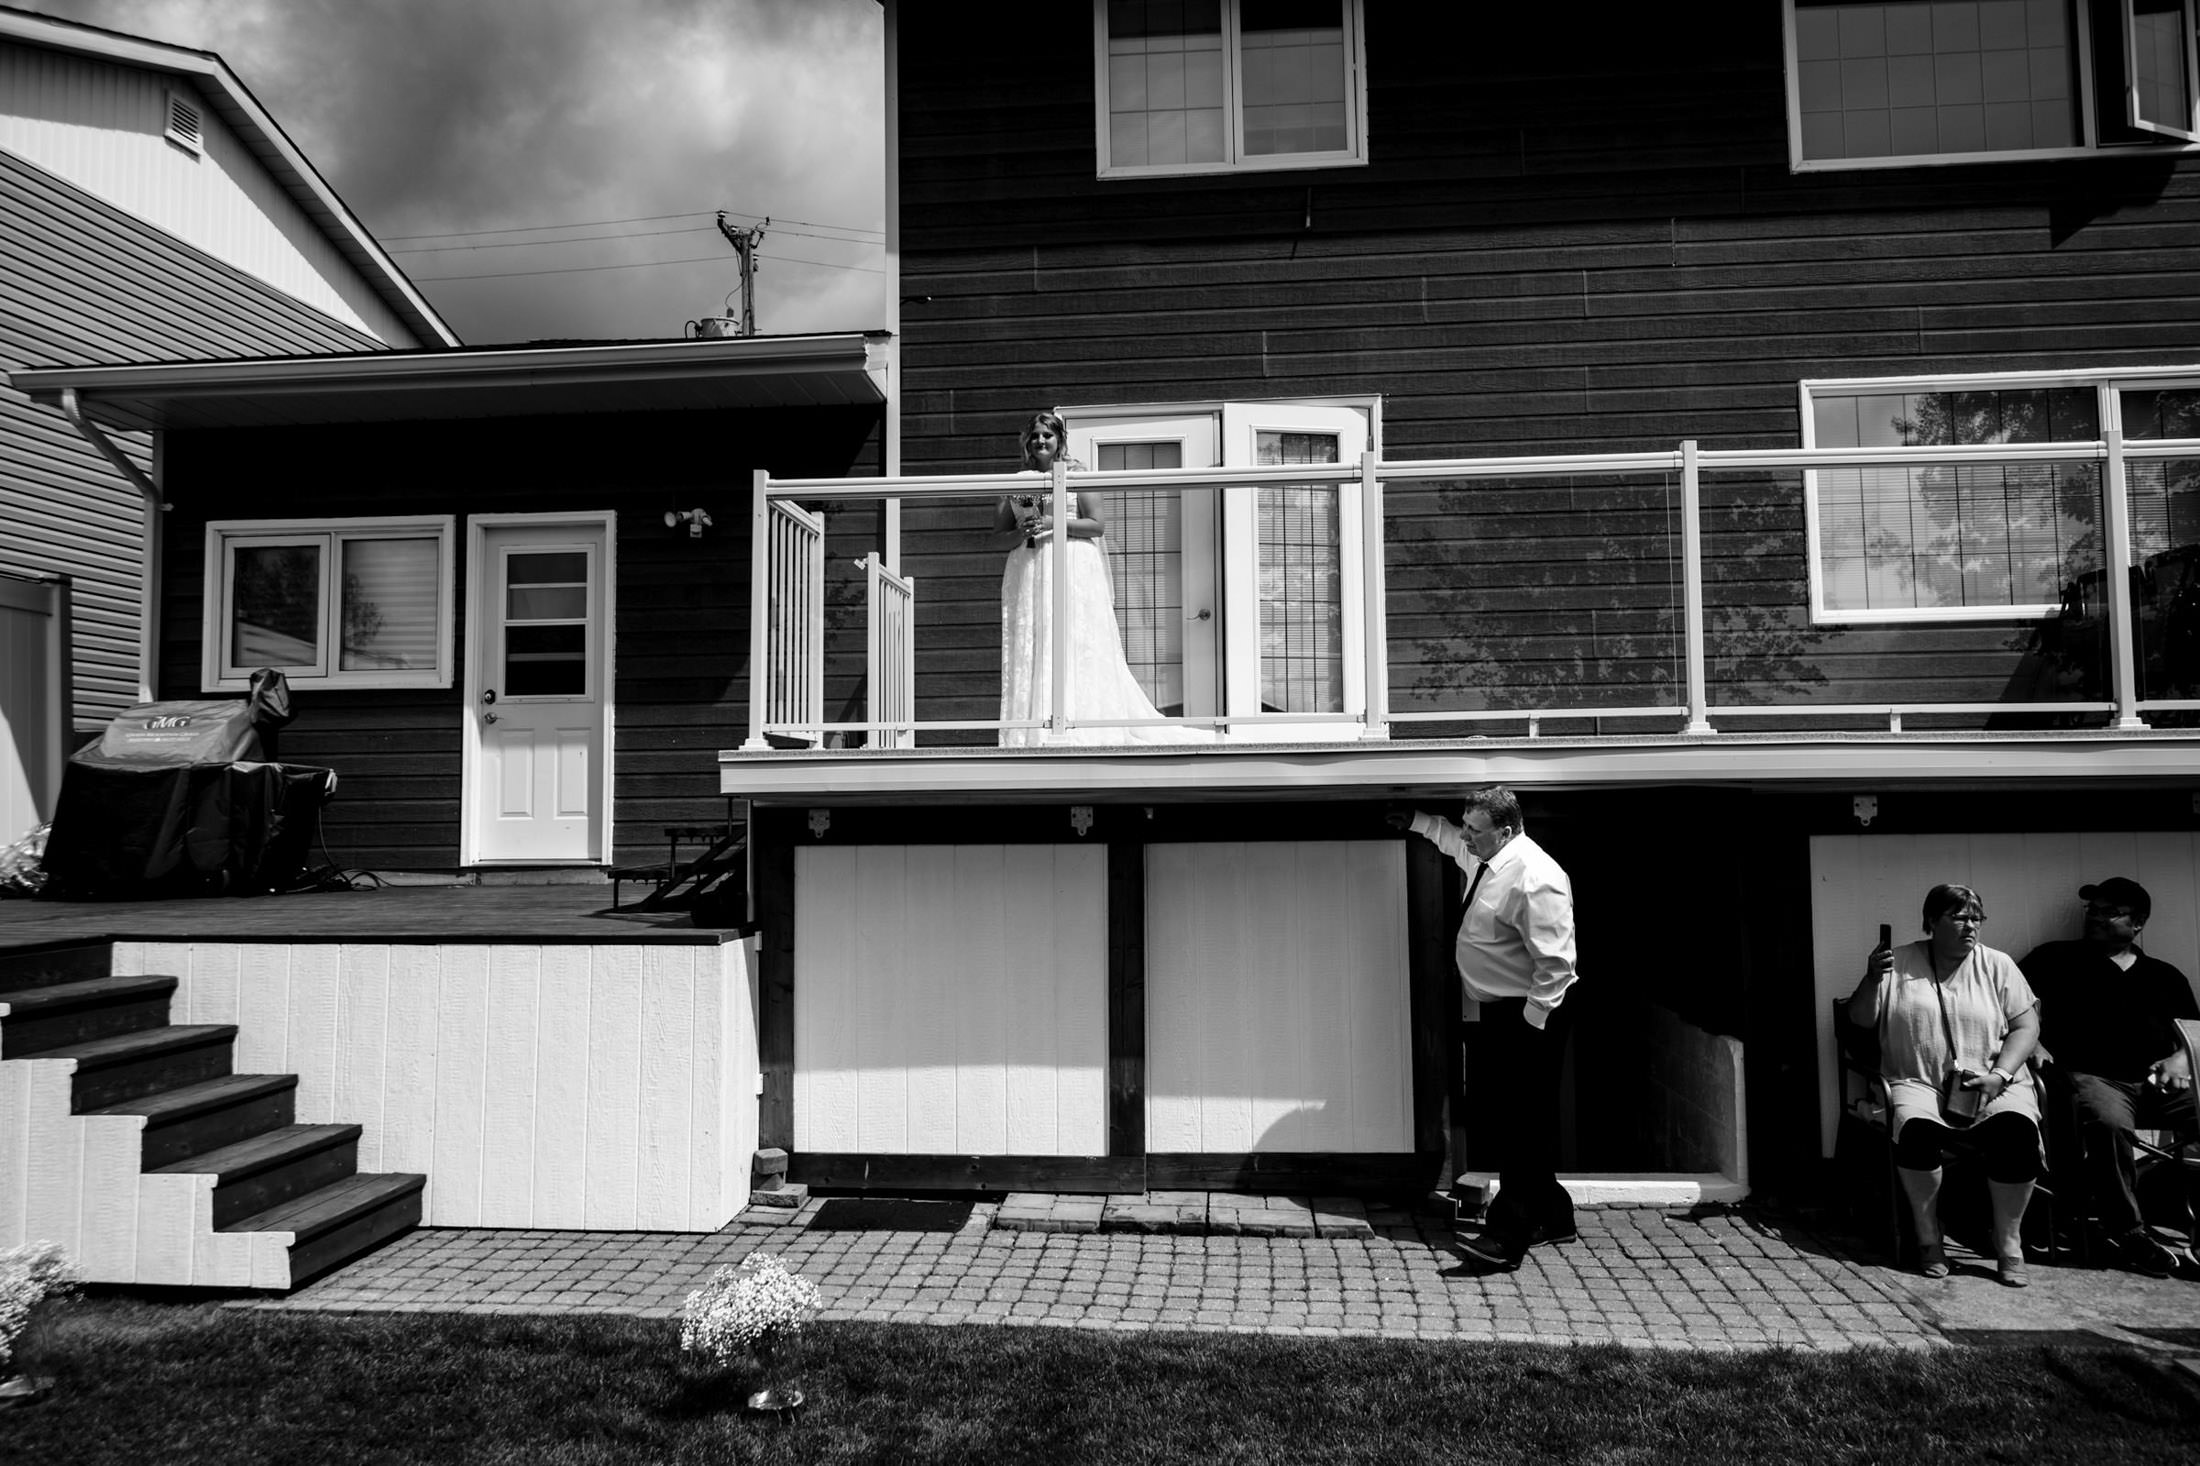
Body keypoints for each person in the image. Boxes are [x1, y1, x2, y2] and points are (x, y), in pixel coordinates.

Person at [1389, 786, 1579, 1272]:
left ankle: (1505, 1238)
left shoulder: (1536, 877)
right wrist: (1415, 819)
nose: (1467, 837)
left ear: (1506, 831)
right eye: (1467, 825)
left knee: (1520, 1128)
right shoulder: (1489, 858)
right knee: (1520, 1120)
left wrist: (1531, 1026)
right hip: (1503, 1013)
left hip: (1533, 1016)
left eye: (1476, 829)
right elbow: (1451, 841)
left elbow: (1557, 965)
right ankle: (1555, 1217)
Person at [1848, 884, 2043, 1286]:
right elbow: (1862, 1020)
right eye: (1959, 916)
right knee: (1916, 1131)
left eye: (1976, 918)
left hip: (1990, 1081)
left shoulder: (1998, 965)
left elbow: (2027, 1026)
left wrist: (2000, 1075)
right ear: (1931, 921)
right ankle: (1927, 1236)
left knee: (2018, 1131)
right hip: (1917, 1080)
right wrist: (1871, 979)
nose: (1970, 926)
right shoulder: (1898, 963)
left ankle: (2008, 1242)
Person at [995, 410, 1209, 747]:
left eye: (1047, 435)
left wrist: (1053, 524)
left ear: (1059, 439)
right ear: (1027, 441)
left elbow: (1097, 524)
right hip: (1031, 565)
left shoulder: (1077, 474)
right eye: (1035, 435)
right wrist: (1020, 531)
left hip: (1071, 562)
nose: (1040, 441)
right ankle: (1033, 728)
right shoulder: (1019, 479)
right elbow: (998, 535)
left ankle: (1083, 724)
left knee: (1072, 637)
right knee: (1038, 638)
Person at [2020, 877, 2199, 1278]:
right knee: (2109, 1124)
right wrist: (2033, 1043)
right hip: (2092, 1077)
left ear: (2138, 923)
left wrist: (2181, 1062)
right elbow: (2013, 1007)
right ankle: (2128, 1232)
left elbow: (2194, 1033)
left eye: (2109, 912)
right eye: (2093, 910)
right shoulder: (2054, 959)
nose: (2096, 918)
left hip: (2158, 1083)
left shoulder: (2164, 976)